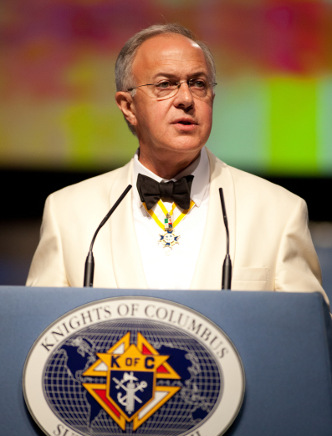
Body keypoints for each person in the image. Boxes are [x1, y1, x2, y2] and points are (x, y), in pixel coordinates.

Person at [26, 23, 329, 305]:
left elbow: (305, 340)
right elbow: (37, 334)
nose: (186, 98)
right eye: (165, 84)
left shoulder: (278, 211)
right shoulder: (68, 213)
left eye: (198, 84)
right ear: (128, 106)